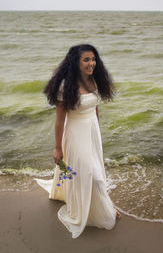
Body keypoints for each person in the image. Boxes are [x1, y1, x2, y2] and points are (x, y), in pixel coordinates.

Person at [37, 44, 121, 239]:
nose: (92, 63)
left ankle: (102, 205)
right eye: (86, 60)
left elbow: (95, 107)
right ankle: (104, 210)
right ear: (75, 62)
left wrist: (97, 130)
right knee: (93, 176)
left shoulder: (93, 80)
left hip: (91, 131)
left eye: (93, 59)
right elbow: (59, 121)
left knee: (95, 171)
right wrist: (58, 148)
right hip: (75, 133)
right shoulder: (66, 85)